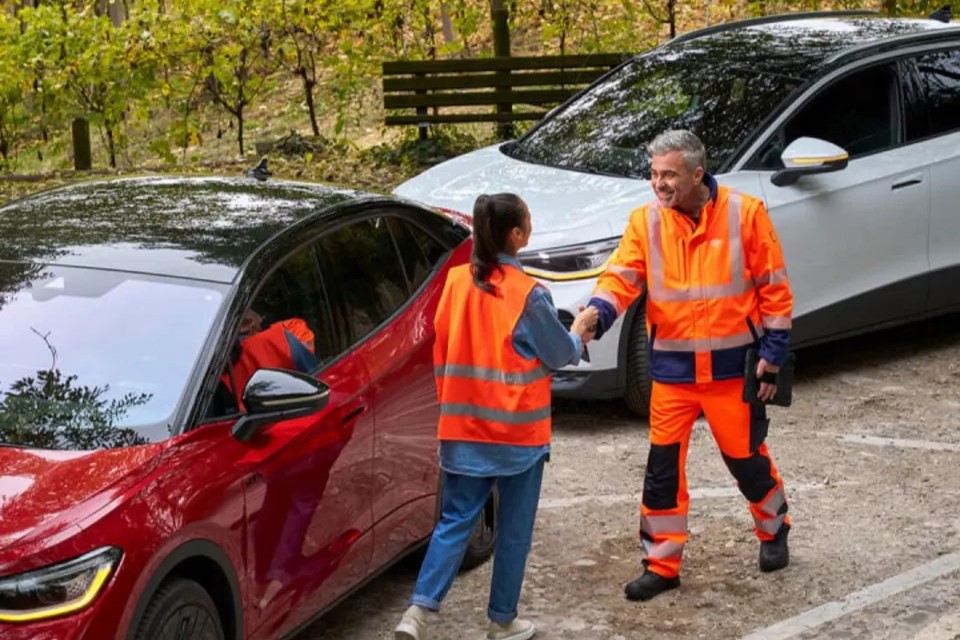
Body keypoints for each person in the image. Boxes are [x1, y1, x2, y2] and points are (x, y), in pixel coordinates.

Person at [585, 130, 794, 602]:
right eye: (654, 174)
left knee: (747, 463)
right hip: (673, 376)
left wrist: (772, 356)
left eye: (669, 175)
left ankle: (774, 527)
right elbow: (622, 276)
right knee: (662, 471)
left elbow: (774, 288)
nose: (658, 184)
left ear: (697, 175)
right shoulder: (646, 221)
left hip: (730, 373)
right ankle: (661, 565)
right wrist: (596, 314)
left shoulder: (746, 214)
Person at [395, 193, 598, 640]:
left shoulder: (454, 284)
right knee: (513, 530)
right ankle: (502, 620)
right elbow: (559, 353)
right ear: (516, 235)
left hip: (462, 428)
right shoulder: (529, 295)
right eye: (528, 222)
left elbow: (444, 350)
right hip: (516, 436)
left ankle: (418, 612)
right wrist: (580, 329)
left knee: (454, 522)